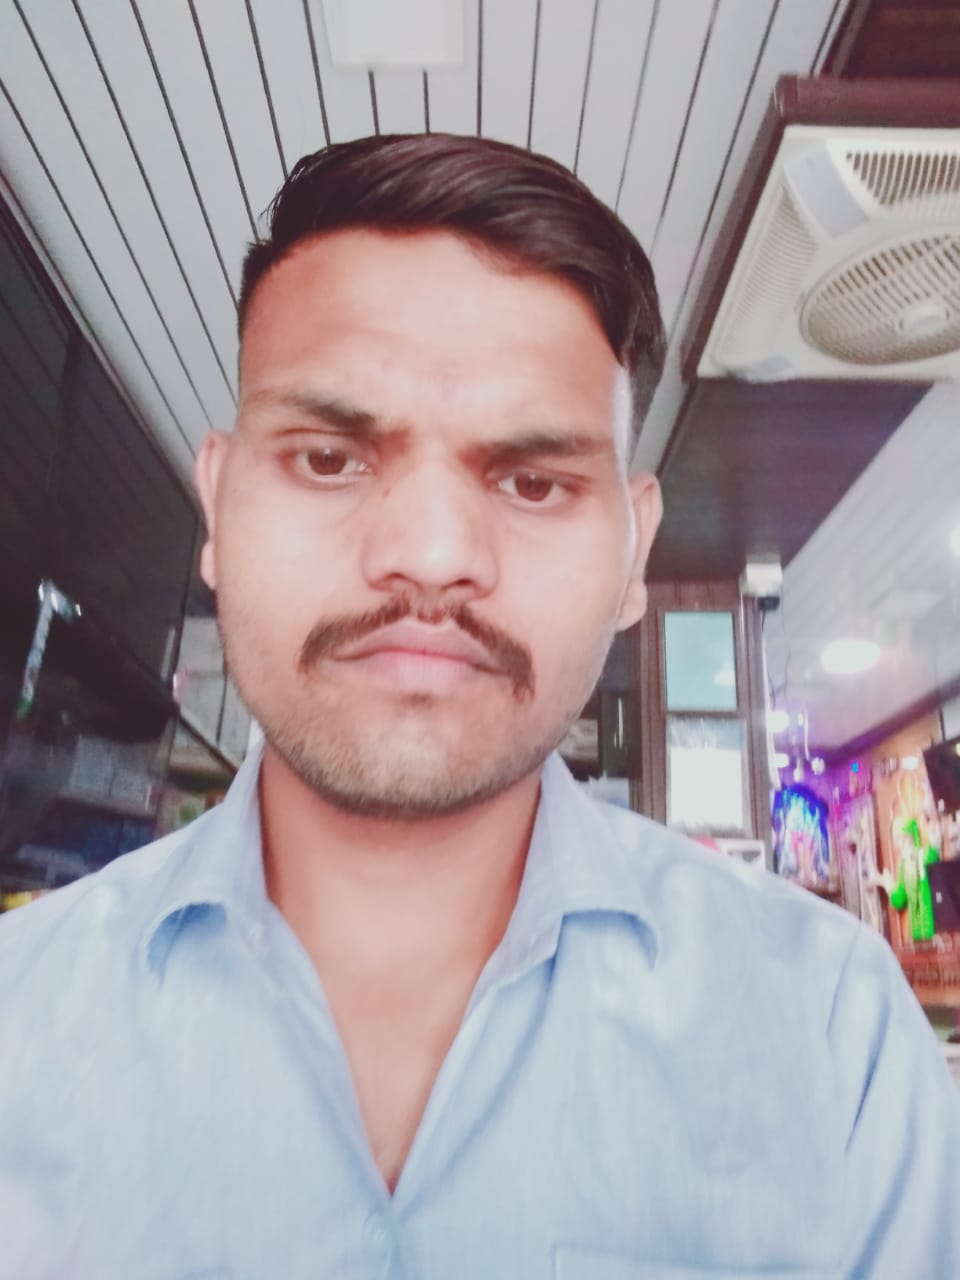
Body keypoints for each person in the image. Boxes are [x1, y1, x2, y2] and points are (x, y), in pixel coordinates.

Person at [1, 133, 957, 1280]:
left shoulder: (834, 1035)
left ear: (633, 552)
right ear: (218, 503)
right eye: (327, 458)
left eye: (533, 480)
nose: (429, 552)